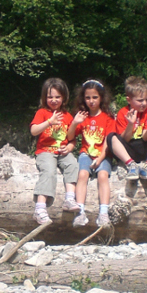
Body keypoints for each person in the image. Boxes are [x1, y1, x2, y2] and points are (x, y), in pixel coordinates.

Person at [67, 79, 116, 228]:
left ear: (101, 97)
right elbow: (70, 137)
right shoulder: (82, 116)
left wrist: (101, 158)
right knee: (82, 174)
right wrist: (75, 122)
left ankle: (103, 213)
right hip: (85, 154)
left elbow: (109, 140)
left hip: (104, 154)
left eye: (95, 97)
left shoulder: (108, 117)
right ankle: (80, 212)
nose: (91, 101)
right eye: (88, 97)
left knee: (102, 176)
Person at [30, 78, 79, 225]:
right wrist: (49, 122)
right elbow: (33, 131)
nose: (54, 100)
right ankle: (40, 208)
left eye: (57, 97)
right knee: (49, 171)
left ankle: (69, 198)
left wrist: (69, 148)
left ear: (63, 97)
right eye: (50, 96)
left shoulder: (68, 116)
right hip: (45, 151)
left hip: (62, 152)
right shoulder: (42, 112)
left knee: (73, 164)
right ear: (45, 97)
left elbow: (72, 139)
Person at [108, 76, 147, 183]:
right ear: (129, 100)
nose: (144, 103)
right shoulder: (123, 113)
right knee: (112, 137)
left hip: (143, 146)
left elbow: (145, 137)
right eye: (140, 100)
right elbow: (125, 139)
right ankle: (130, 165)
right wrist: (130, 124)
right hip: (128, 149)